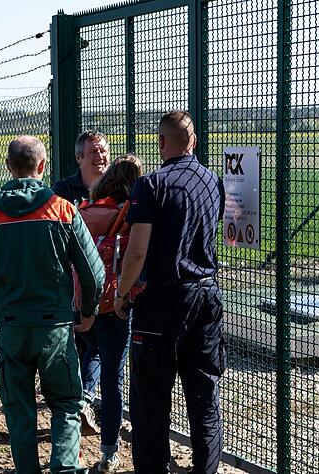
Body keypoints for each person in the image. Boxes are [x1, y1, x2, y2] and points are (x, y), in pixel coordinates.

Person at [0, 135, 105, 474]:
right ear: (42, 166)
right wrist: (87, 310)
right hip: (55, 329)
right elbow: (94, 272)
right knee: (66, 404)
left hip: (12, 329)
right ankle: (65, 468)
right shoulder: (64, 211)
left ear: (8, 167)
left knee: (19, 410)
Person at [113, 111, 226, 473]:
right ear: (193, 141)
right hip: (206, 294)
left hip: (162, 301)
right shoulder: (212, 181)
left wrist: (122, 293)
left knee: (151, 398)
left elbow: (138, 249)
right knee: (204, 396)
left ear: (161, 143)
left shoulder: (151, 185)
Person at [73, 154, 145, 473]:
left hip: (86, 301)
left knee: (92, 349)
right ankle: (108, 453)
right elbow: (136, 255)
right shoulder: (129, 214)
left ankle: (84, 398)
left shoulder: (85, 211)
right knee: (114, 378)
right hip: (115, 301)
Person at [52, 129, 110, 435]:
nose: (99, 157)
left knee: (97, 343)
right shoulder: (64, 190)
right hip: (69, 281)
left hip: (104, 281)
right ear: (79, 158)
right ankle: (74, 402)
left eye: (103, 150)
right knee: (73, 344)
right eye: (93, 152)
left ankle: (81, 401)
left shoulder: (116, 187)